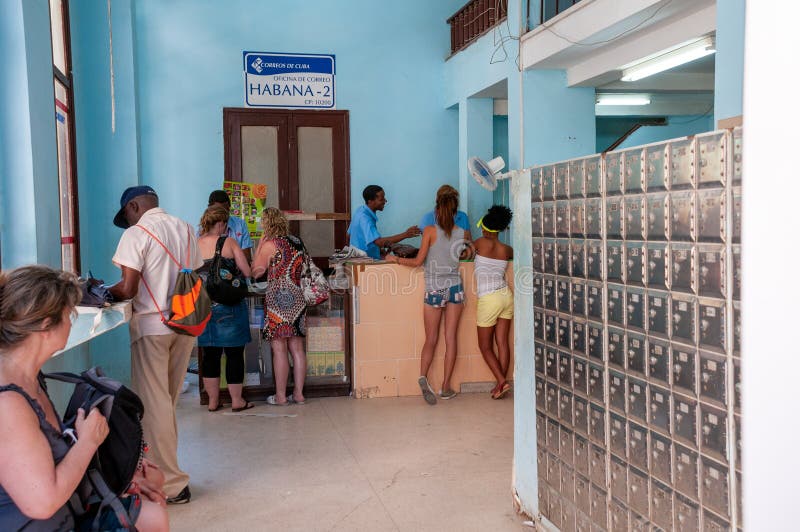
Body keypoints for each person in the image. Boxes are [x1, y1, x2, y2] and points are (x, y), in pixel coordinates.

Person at [0, 265, 168, 531]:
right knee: (152, 517)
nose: (71, 322)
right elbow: (42, 503)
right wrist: (89, 441)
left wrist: (125, 476)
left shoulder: (29, 377)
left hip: (65, 512)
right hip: (44, 520)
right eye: (69, 314)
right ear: (46, 327)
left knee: (152, 503)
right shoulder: (8, 404)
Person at [107, 185, 202, 505]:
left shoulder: (137, 234)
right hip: (186, 324)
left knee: (155, 407)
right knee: (167, 403)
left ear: (134, 206)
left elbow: (128, 288)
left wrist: (104, 292)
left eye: (128, 216)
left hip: (153, 327)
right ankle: (161, 473)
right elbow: (193, 273)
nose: (129, 222)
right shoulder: (186, 229)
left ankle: (171, 485)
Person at [386, 186, 470, 405]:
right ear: (455, 208)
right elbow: (469, 254)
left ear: (437, 205)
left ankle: (423, 377)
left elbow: (417, 262)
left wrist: (395, 260)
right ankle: (445, 387)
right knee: (451, 339)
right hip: (455, 288)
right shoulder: (464, 232)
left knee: (431, 339)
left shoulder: (430, 231)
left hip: (434, 288)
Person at [196, 205, 254, 413]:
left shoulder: (195, 244)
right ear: (220, 224)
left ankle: (213, 401)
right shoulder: (228, 242)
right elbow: (247, 271)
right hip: (228, 306)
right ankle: (237, 401)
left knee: (210, 355)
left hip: (203, 307)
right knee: (233, 353)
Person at [251, 207, 308, 406]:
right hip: (298, 297)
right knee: (297, 349)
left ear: (267, 224)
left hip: (278, 299)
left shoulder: (270, 244)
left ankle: (281, 396)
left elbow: (256, 272)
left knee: (279, 349)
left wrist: (259, 246)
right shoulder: (297, 241)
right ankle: (299, 394)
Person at [473, 205, 515, 399]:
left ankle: (502, 381)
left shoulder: (480, 243)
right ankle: (501, 385)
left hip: (489, 299)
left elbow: (461, 255)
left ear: (485, 227)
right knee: (502, 342)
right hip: (506, 295)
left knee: (485, 346)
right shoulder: (507, 249)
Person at [347, 185, 421, 259]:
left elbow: (349, 234)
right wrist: (406, 234)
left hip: (362, 255)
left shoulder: (360, 210)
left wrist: (378, 249)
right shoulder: (365, 219)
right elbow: (379, 242)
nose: (385, 201)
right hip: (365, 259)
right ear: (370, 201)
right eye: (381, 199)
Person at [208, 189, 254, 263]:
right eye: (218, 211)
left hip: (237, 272)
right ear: (209, 209)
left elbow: (247, 258)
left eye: (224, 211)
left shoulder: (240, 224)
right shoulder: (204, 227)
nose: (222, 215)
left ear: (229, 208)